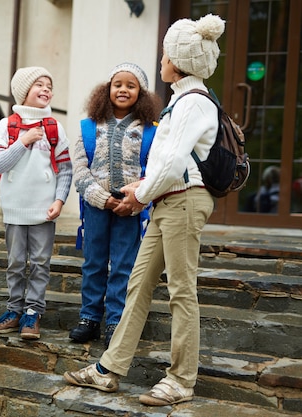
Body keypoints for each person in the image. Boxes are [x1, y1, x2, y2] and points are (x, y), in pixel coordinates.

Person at [64, 14, 225, 407]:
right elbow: (164, 164)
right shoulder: (179, 101)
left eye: (166, 54)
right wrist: (144, 188)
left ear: (178, 60)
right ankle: (108, 370)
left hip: (184, 201)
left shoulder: (193, 102)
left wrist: (138, 196)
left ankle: (181, 380)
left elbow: (171, 164)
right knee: (137, 285)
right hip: (166, 200)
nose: (161, 61)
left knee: (182, 292)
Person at [70, 63, 161, 348]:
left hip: (130, 209)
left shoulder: (151, 132)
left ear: (141, 94)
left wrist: (136, 200)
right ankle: (89, 317)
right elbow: (80, 168)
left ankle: (116, 320)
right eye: (117, 84)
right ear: (107, 90)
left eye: (130, 85)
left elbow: (154, 170)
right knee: (94, 262)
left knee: (124, 265)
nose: (123, 89)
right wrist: (101, 198)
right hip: (97, 205)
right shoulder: (88, 127)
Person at [0, 66, 72, 340]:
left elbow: (66, 168)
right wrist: (23, 141)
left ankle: (33, 313)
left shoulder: (54, 127)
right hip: (14, 208)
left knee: (40, 262)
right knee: (14, 262)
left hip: (43, 209)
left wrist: (59, 201)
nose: (46, 89)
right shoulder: (7, 125)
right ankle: (13, 311)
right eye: (39, 84)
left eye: (49, 85)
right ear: (24, 91)